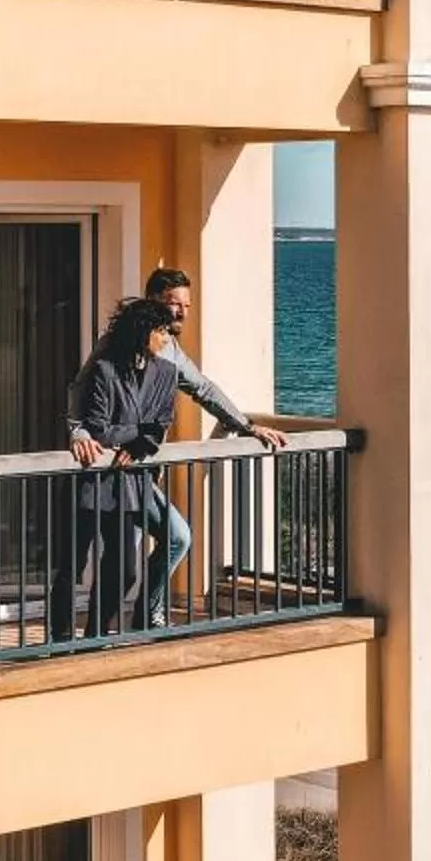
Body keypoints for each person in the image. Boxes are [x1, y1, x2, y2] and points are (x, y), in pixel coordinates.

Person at [139, 267, 285, 625]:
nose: (183, 313)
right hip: (115, 466)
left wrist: (247, 425)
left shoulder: (171, 349)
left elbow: (203, 388)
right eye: (175, 304)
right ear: (154, 301)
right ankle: (129, 621)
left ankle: (143, 614)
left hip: (142, 469)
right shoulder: (127, 344)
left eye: (187, 305)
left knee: (167, 541)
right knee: (169, 539)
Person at [50, 295, 181, 640]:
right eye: (161, 330)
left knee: (124, 568)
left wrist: (140, 443)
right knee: (71, 565)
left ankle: (96, 633)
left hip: (127, 484)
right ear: (143, 331)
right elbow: (99, 429)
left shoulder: (167, 373)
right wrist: (140, 434)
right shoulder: (105, 369)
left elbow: (162, 423)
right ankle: (60, 638)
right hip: (88, 480)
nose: (166, 338)